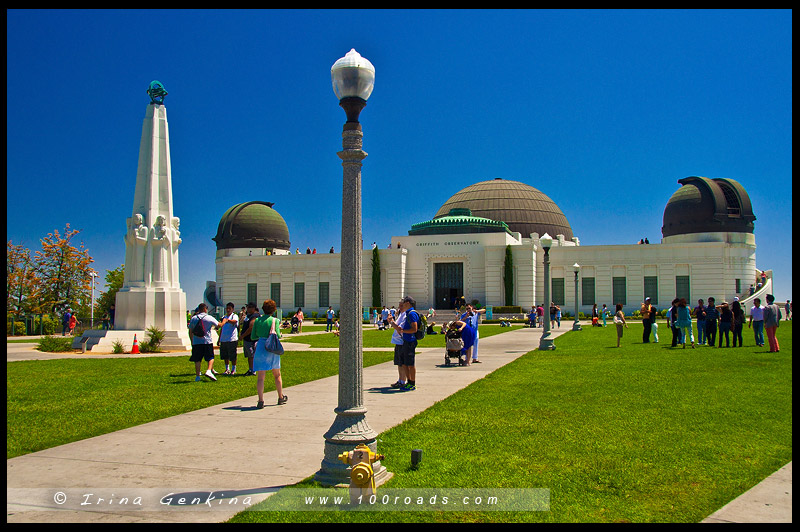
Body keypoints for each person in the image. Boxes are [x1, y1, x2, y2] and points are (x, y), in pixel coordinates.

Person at [251, 299, 287, 407]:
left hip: (261, 346)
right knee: (277, 374)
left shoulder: (257, 320)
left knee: (261, 377)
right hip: (272, 347)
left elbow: (253, 336)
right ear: (274, 310)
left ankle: (260, 400)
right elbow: (278, 335)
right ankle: (280, 397)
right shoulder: (274, 320)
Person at [388, 296, 420, 390]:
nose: (401, 306)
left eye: (403, 303)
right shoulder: (407, 313)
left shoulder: (411, 314)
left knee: (410, 364)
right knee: (405, 363)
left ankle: (412, 383)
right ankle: (408, 382)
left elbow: (414, 329)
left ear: (408, 303)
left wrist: (403, 331)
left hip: (410, 341)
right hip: (405, 341)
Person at [188, 304, 220, 382]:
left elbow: (190, 331)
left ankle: (197, 376)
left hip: (196, 342)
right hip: (207, 341)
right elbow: (219, 325)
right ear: (205, 309)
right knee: (210, 358)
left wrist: (192, 340)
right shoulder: (209, 317)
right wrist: (224, 321)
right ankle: (209, 370)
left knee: (197, 359)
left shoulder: (194, 318)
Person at [389, 300, 408, 389]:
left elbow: (400, 329)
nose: (399, 308)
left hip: (402, 342)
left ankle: (403, 381)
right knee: (399, 363)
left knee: (402, 363)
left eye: (401, 306)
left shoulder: (405, 315)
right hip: (398, 342)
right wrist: (391, 322)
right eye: (399, 305)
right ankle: (400, 380)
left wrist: (391, 322)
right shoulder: (401, 314)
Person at [219, 302, 239, 375]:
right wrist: (219, 339)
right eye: (227, 308)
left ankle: (233, 369)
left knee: (233, 355)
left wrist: (227, 320)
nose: (228, 310)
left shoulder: (234, 316)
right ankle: (227, 369)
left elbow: (235, 322)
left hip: (232, 339)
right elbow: (222, 328)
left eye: (229, 308)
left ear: (232, 309)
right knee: (225, 355)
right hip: (224, 339)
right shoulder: (224, 317)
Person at [240, 302, 259, 376]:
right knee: (249, 355)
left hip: (251, 339)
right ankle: (250, 369)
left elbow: (251, 327)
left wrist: (243, 335)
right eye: (247, 307)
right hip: (247, 339)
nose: (247, 308)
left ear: (253, 308)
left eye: (249, 307)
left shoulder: (254, 316)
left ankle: (253, 370)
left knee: (251, 355)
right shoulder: (248, 315)